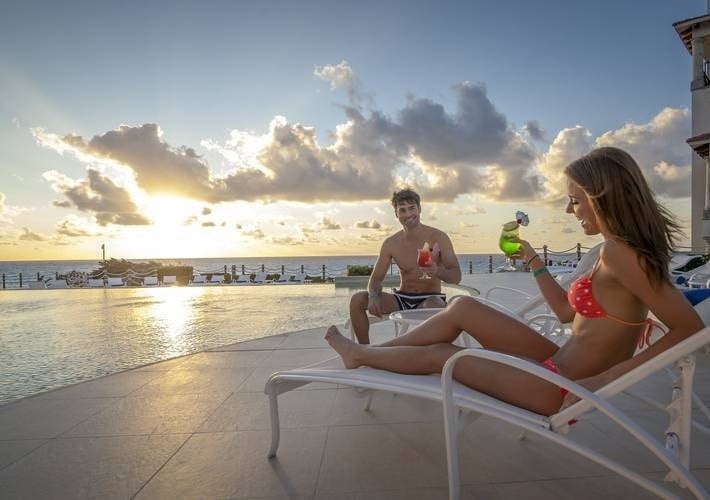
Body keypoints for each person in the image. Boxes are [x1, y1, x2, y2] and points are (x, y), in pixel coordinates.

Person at [327, 147, 703, 416]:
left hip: (561, 387)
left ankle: (361, 355)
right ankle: (382, 353)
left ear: (601, 197)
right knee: (464, 307)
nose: (568, 210)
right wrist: (532, 259)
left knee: (446, 357)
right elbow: (564, 314)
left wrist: (603, 380)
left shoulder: (622, 254)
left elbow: (689, 328)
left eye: (574, 200)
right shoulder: (613, 251)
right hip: (558, 362)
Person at [349, 188, 462, 344]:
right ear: (397, 214)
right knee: (357, 299)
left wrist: (437, 270)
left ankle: (417, 352)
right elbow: (375, 278)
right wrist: (374, 297)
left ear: (419, 209)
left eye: (412, 208)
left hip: (429, 298)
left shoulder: (438, 237)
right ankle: (364, 349)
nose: (408, 214)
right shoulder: (391, 243)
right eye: (402, 210)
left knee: (435, 304)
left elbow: (456, 276)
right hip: (402, 299)